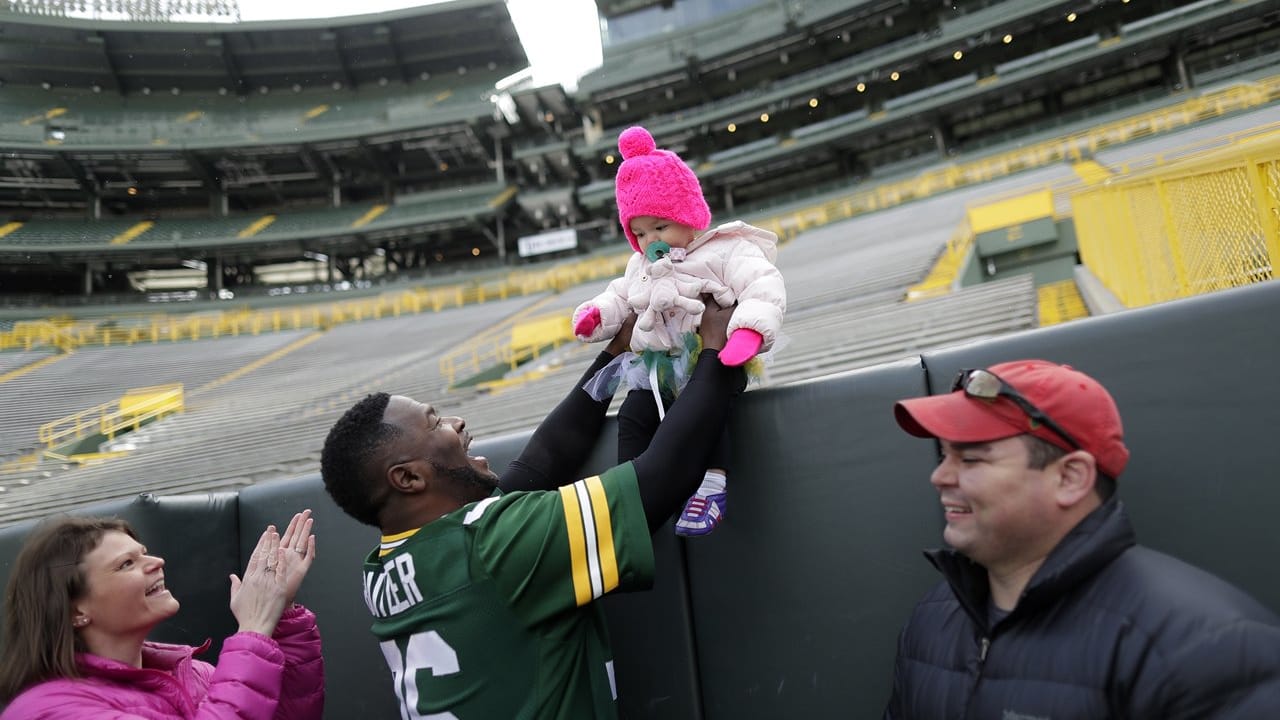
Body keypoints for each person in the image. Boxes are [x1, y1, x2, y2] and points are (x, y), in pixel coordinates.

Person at [319, 300, 743, 719]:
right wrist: (713, 349)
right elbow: (661, 478)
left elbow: (542, 460)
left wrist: (617, 352)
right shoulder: (493, 544)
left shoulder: (386, 565)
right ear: (408, 479)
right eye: (435, 424)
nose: (456, 423)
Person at [884, 359, 1280, 718]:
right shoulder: (933, 618)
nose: (940, 477)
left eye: (970, 459)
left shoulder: (1203, 648)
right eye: (943, 457)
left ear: (1070, 478)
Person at [572, 125, 786, 536]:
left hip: (714, 358)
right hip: (657, 365)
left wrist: (747, 332)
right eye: (639, 233)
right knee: (634, 414)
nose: (649, 240)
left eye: (659, 227)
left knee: (708, 406)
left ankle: (712, 484)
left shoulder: (725, 249)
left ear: (687, 217)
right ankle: (629, 490)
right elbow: (619, 295)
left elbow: (762, 284)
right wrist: (597, 315)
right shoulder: (641, 267)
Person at [0, 510, 323, 720]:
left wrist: (279, 614)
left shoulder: (196, 673)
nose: (156, 561)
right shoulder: (48, 710)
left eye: (143, 553)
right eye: (126, 563)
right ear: (75, 609)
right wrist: (253, 628)